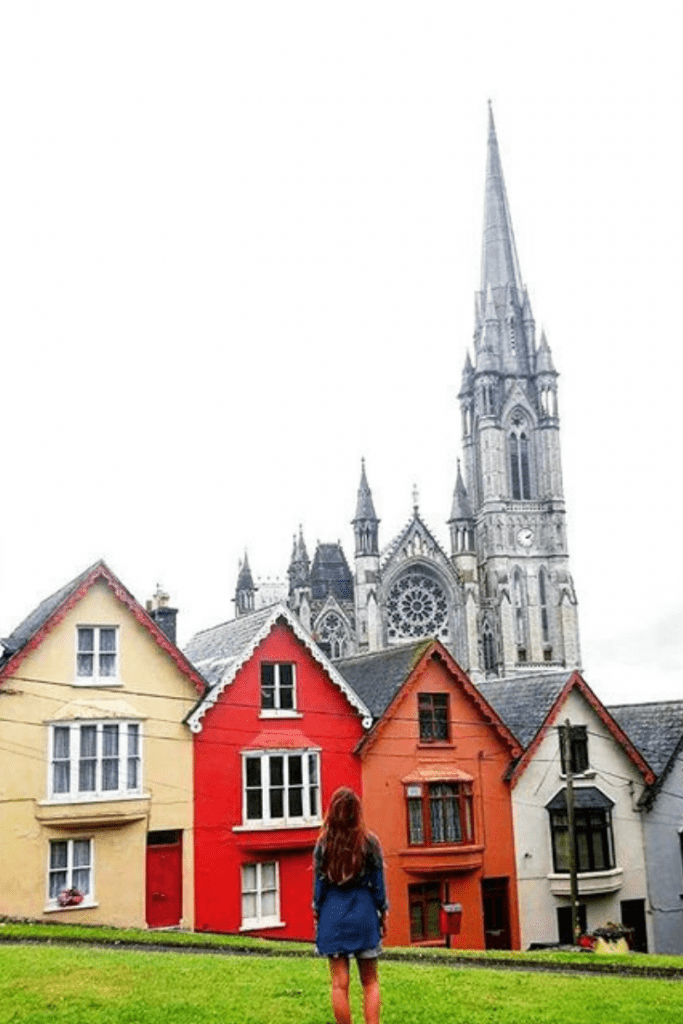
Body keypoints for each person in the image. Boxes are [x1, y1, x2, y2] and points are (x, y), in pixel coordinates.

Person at [312, 787, 388, 1024]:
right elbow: (378, 885)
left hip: (333, 915)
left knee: (339, 985)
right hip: (364, 914)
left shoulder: (323, 845)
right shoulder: (370, 842)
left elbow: (319, 887)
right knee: (370, 982)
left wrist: (317, 912)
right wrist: (383, 913)